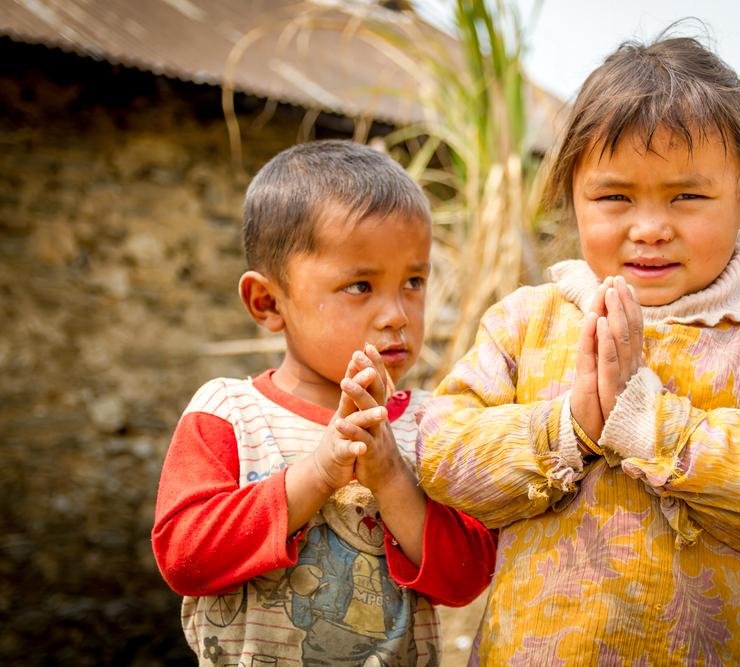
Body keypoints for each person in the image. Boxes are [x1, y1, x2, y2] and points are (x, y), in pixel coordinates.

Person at [417, 33, 740, 665]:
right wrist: (568, 427)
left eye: (687, 196)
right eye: (615, 196)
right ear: (573, 193)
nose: (650, 226)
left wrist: (652, 424)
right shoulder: (527, 320)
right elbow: (440, 449)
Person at [152, 139, 496, 667]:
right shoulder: (228, 413)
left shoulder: (435, 423)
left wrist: (390, 477)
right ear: (267, 302)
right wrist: (317, 472)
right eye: (361, 285)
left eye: (413, 282)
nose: (397, 315)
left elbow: (467, 578)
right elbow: (184, 557)